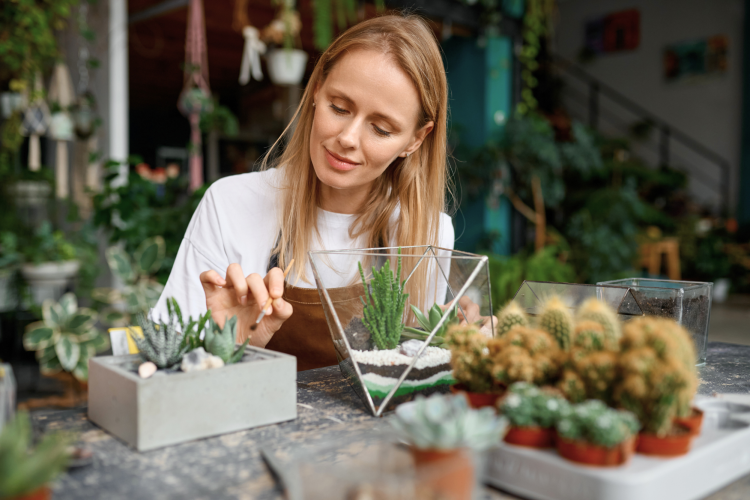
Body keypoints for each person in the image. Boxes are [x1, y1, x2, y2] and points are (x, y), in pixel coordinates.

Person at [152, 14, 485, 371]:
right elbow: (162, 367)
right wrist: (228, 348)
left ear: (416, 139)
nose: (348, 138)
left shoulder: (429, 234)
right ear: (316, 91)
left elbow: (411, 386)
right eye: (339, 107)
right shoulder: (230, 206)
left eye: (382, 129)